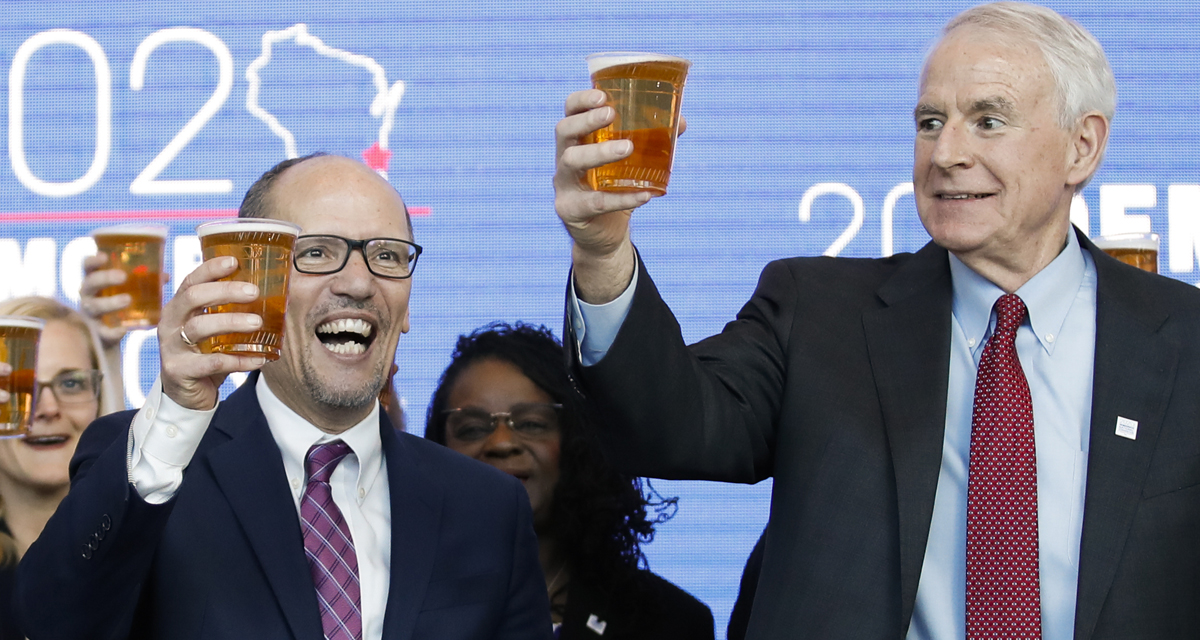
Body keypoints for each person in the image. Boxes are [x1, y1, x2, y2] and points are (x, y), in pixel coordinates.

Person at [554, 3, 1200, 638]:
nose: (946, 152)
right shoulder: (817, 313)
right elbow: (667, 427)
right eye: (929, 121)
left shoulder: (1184, 340)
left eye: (988, 121)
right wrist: (603, 252)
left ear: (1082, 147)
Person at [15, 154, 551, 640]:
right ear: (255, 286)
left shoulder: (486, 509)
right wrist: (176, 413)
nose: (359, 284)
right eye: (317, 253)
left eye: (386, 256)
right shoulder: (149, 469)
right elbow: (44, 626)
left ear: (406, 305)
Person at [424, 322, 714, 639]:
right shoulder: (392, 601)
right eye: (472, 429)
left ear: (580, 444)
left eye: (532, 423)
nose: (502, 443)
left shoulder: (670, 622)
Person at [0, 296, 122, 640]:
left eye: (71, 383)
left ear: (99, 399)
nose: (48, 408)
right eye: (20, 388)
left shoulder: (158, 545)